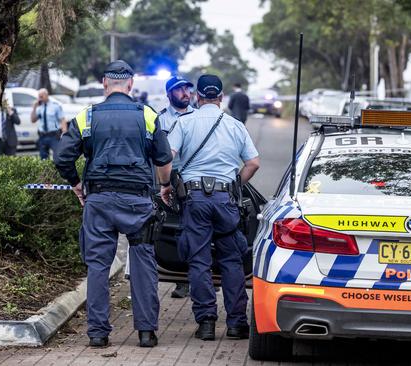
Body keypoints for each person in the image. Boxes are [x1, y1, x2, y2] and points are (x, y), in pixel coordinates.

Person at [54, 60, 173, 349]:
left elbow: (61, 158)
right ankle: (146, 333)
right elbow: (163, 159)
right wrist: (166, 186)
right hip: (138, 202)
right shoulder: (147, 115)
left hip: (99, 202)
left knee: (97, 266)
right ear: (130, 85)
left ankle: (97, 334)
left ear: (105, 84)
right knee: (144, 265)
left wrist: (76, 183)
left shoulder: (87, 117)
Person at [161, 74, 260, 341]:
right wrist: (234, 185)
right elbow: (253, 163)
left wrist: (166, 185)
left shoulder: (184, 122)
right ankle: (237, 324)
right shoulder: (235, 125)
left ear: (198, 96)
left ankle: (206, 323)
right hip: (225, 199)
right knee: (231, 260)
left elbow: (166, 158)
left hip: (194, 200)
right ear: (221, 97)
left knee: (199, 260)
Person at [158, 75, 194, 299]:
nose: (185, 93)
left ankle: (204, 275)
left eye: (187, 89)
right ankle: (182, 280)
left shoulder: (199, 116)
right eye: (179, 90)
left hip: (194, 178)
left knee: (198, 229)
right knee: (176, 231)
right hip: (170, 179)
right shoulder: (160, 120)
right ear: (169, 94)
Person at [31, 88, 67, 160]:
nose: (40, 98)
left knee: (58, 156)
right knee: (43, 158)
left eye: (41, 96)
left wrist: (64, 132)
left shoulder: (55, 106)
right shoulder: (39, 108)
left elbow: (62, 119)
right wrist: (34, 108)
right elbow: (33, 120)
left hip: (54, 136)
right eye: (39, 97)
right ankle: (46, 171)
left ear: (47, 95)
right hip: (42, 136)